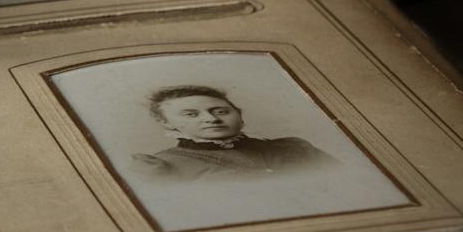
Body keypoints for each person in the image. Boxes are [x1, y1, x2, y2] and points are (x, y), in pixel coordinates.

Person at [132, 85, 337, 181]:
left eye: (221, 111)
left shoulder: (294, 147)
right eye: (191, 114)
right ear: (167, 123)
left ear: (239, 115)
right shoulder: (161, 166)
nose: (212, 119)